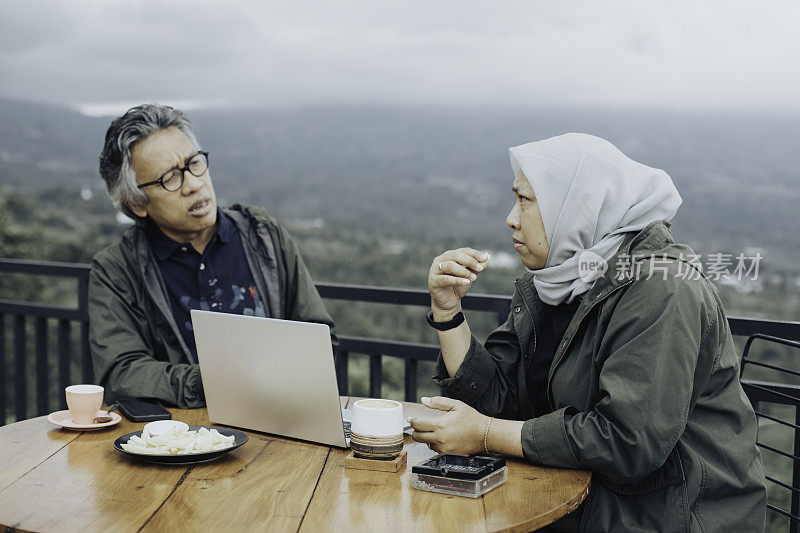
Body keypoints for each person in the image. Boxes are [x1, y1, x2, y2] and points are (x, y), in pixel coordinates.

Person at [411, 133, 766, 531]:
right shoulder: (560, 280)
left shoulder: (663, 286)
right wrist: (447, 310)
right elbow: (499, 399)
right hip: (579, 498)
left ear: (577, 206)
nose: (511, 217)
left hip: (666, 515)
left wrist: (487, 435)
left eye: (526, 200)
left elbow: (626, 442)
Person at [90, 104, 337, 409]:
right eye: (170, 178)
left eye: (194, 163)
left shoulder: (264, 238)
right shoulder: (116, 270)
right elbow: (121, 372)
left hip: (277, 427)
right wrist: (214, 383)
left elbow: (320, 340)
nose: (194, 184)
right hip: (178, 443)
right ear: (136, 203)